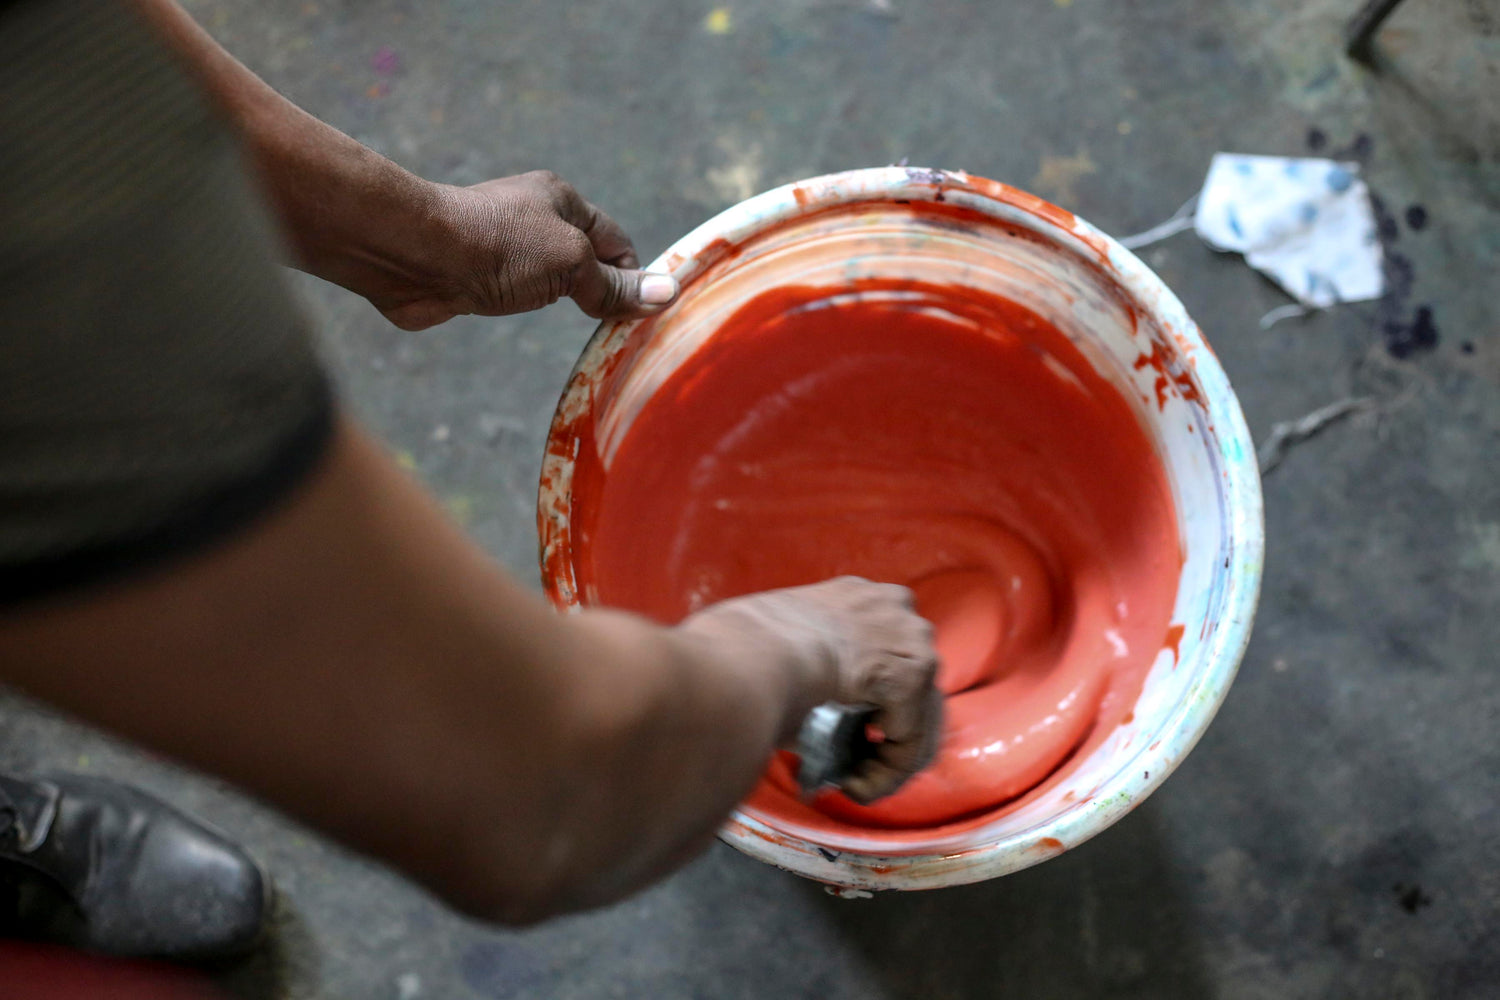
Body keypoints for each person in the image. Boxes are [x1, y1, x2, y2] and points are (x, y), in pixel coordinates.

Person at [0, 0, 943, 964]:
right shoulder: (42, 314)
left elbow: (79, 46)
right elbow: (543, 802)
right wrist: (804, 636)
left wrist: (413, 234)